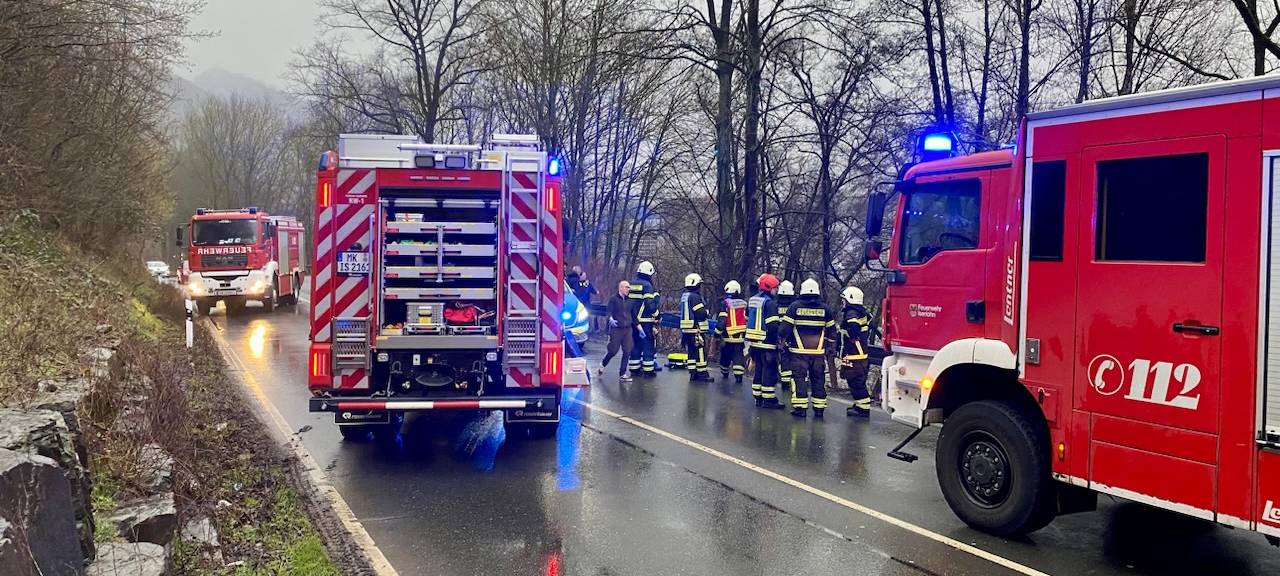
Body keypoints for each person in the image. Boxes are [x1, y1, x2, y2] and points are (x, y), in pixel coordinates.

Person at [781, 279, 836, 418]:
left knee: (799, 378)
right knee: (818, 379)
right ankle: (819, 409)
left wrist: (782, 341)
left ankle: (800, 409)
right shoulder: (825, 309)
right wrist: (830, 347)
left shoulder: (794, 307)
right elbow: (832, 331)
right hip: (818, 354)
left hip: (799, 353)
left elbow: (784, 329)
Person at [745, 274, 784, 409]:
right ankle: (768, 399)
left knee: (759, 370)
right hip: (767, 342)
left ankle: (758, 397)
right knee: (769, 371)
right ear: (769, 288)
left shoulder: (753, 300)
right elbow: (773, 325)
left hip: (754, 343)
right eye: (775, 288)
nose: (776, 290)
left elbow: (747, 316)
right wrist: (777, 340)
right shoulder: (770, 303)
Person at [839, 286, 874, 417]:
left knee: (855, 381)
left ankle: (863, 409)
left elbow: (853, 329)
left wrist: (849, 335)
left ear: (850, 299)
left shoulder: (851, 313)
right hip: (860, 354)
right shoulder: (862, 312)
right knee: (857, 380)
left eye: (844, 300)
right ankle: (860, 404)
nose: (843, 303)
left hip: (855, 354)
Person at [628, 261, 661, 378]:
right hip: (645, 321)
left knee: (635, 344)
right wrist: (657, 314)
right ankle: (648, 371)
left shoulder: (630, 283)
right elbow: (649, 304)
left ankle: (634, 369)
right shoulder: (647, 286)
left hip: (632, 320)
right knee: (647, 345)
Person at [679, 273, 712, 381]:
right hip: (696, 329)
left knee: (691, 352)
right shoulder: (695, 297)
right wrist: (706, 312)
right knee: (700, 352)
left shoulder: (685, 296)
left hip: (687, 330)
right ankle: (702, 374)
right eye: (699, 284)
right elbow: (701, 313)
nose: (700, 287)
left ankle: (693, 373)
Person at [599, 280, 635, 382]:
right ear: (621, 288)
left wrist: (639, 328)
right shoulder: (613, 300)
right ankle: (603, 364)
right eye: (627, 287)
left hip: (627, 329)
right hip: (617, 329)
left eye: (629, 287)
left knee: (627, 351)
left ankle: (622, 373)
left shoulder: (630, 301)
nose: (629, 289)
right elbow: (609, 312)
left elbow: (634, 315)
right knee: (613, 350)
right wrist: (610, 319)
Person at [715, 280, 748, 383]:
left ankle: (725, 372)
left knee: (725, 355)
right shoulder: (744, 304)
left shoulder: (724, 303)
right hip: (740, 336)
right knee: (738, 355)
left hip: (728, 336)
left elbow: (722, 320)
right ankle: (739, 376)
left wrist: (717, 332)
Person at [775, 281, 796, 400]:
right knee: (791, 360)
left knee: (783, 360)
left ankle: (783, 383)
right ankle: (789, 383)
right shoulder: (794, 305)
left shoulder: (775, 304)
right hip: (793, 337)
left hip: (779, 337)